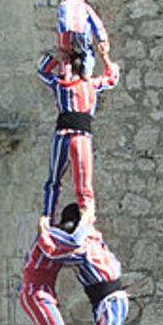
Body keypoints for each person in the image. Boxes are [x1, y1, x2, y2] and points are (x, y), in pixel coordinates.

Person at [38, 46, 119, 222]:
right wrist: (105, 57)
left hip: (65, 136)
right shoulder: (87, 85)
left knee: (56, 181)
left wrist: (55, 58)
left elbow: (42, 71)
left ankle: (49, 215)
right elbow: (113, 78)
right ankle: (84, 219)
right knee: (83, 185)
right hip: (78, 136)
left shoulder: (61, 84)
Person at [20, 205, 92, 325]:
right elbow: (67, 249)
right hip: (37, 293)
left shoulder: (52, 236)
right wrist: (86, 224)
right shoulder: (52, 237)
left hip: (41, 292)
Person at [56, 0, 109, 78]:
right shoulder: (83, 5)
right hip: (81, 31)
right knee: (87, 51)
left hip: (65, 34)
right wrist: (102, 39)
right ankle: (86, 74)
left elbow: (59, 24)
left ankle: (66, 74)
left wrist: (60, 45)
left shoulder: (62, 5)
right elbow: (96, 22)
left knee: (66, 55)